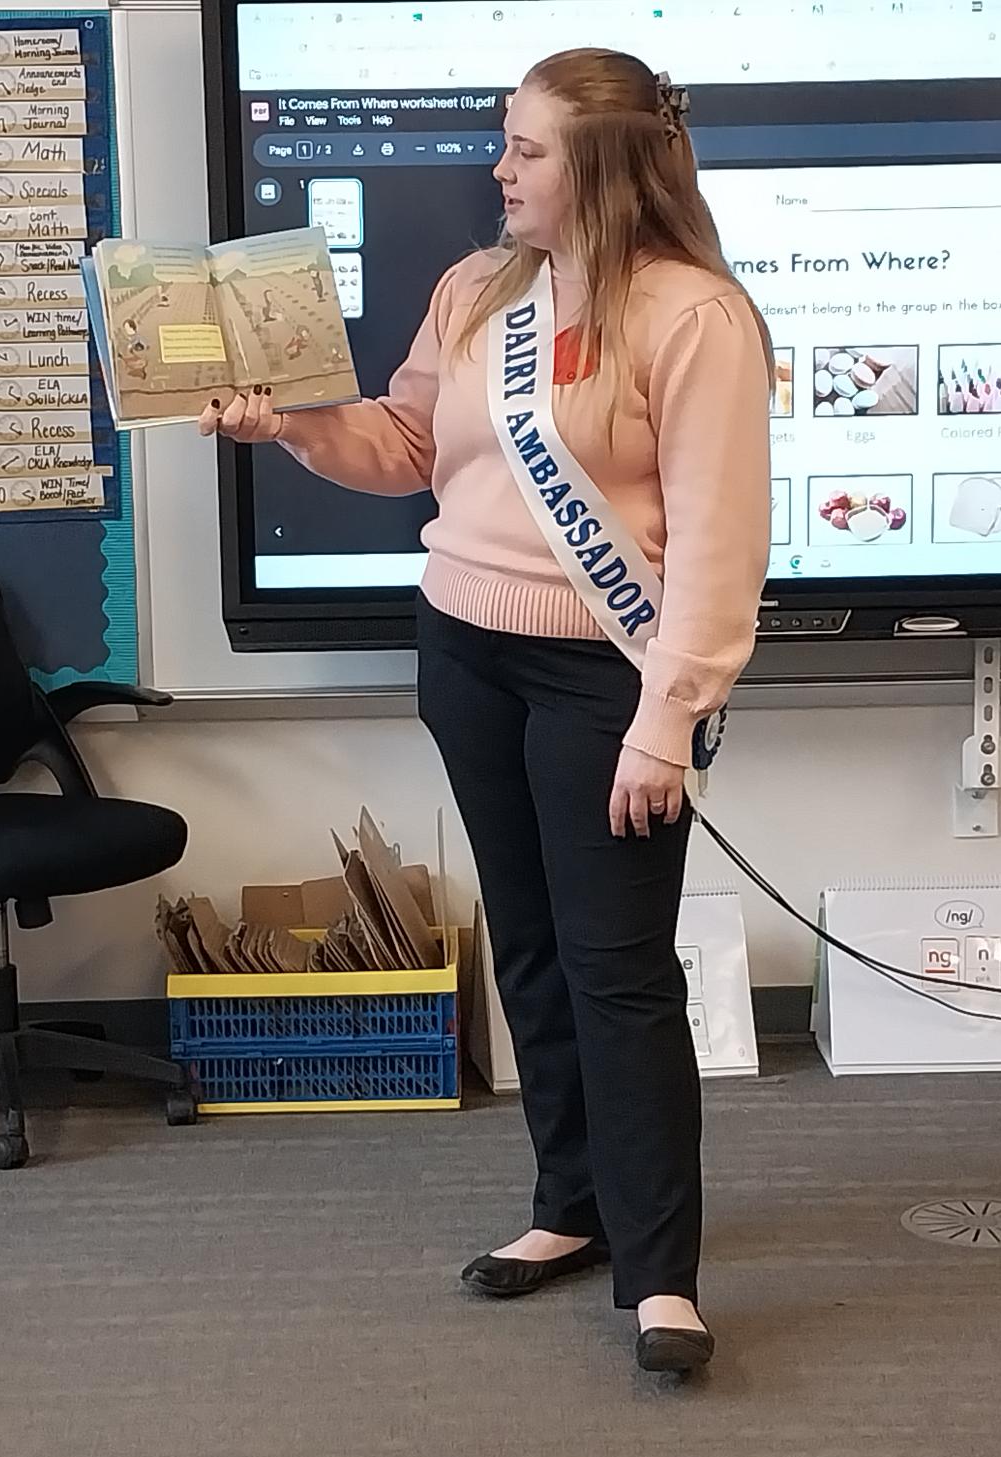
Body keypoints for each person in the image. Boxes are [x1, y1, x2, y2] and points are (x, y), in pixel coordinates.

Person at [201, 47, 772, 1375]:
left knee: (618, 973)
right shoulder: (475, 291)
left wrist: (664, 721)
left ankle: (662, 1274)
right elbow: (405, 448)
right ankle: (569, 1205)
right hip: (465, 652)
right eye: (502, 143)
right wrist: (285, 424)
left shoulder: (696, 320)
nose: (496, 169)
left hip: (605, 679)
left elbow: (719, 548)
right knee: (528, 948)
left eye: (527, 150)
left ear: (609, 169)